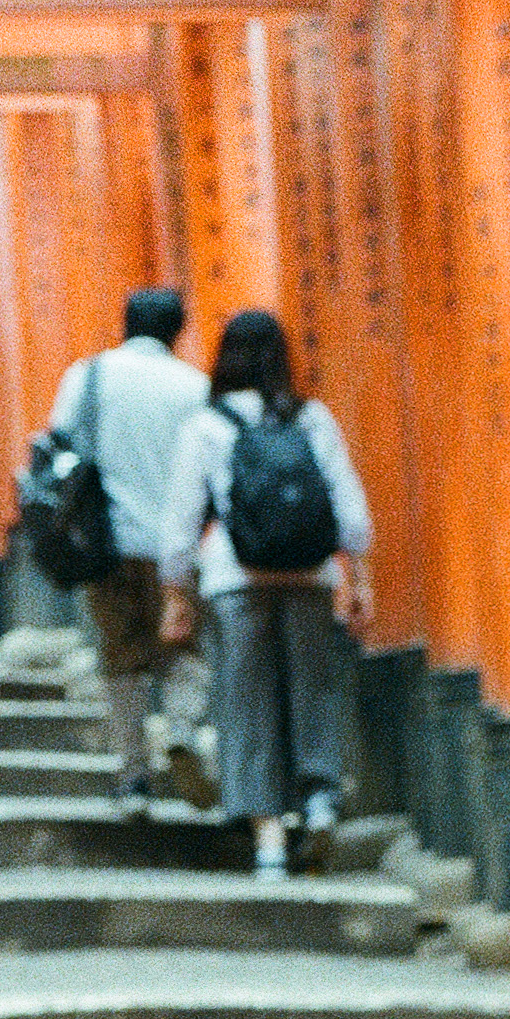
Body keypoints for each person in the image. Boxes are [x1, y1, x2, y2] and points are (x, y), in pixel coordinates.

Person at [157, 308, 375, 879]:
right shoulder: (312, 417)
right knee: (311, 690)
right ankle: (320, 798)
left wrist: (176, 594)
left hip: (236, 580)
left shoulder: (208, 425)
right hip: (308, 577)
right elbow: (350, 512)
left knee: (246, 705)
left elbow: (181, 522)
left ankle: (270, 841)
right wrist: (359, 581)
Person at [46, 288, 210, 810]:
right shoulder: (194, 385)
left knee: (121, 655)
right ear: (177, 330)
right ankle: (182, 730)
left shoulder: (88, 375)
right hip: (175, 547)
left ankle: (133, 775)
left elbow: (57, 445)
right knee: (184, 645)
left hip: (106, 541)